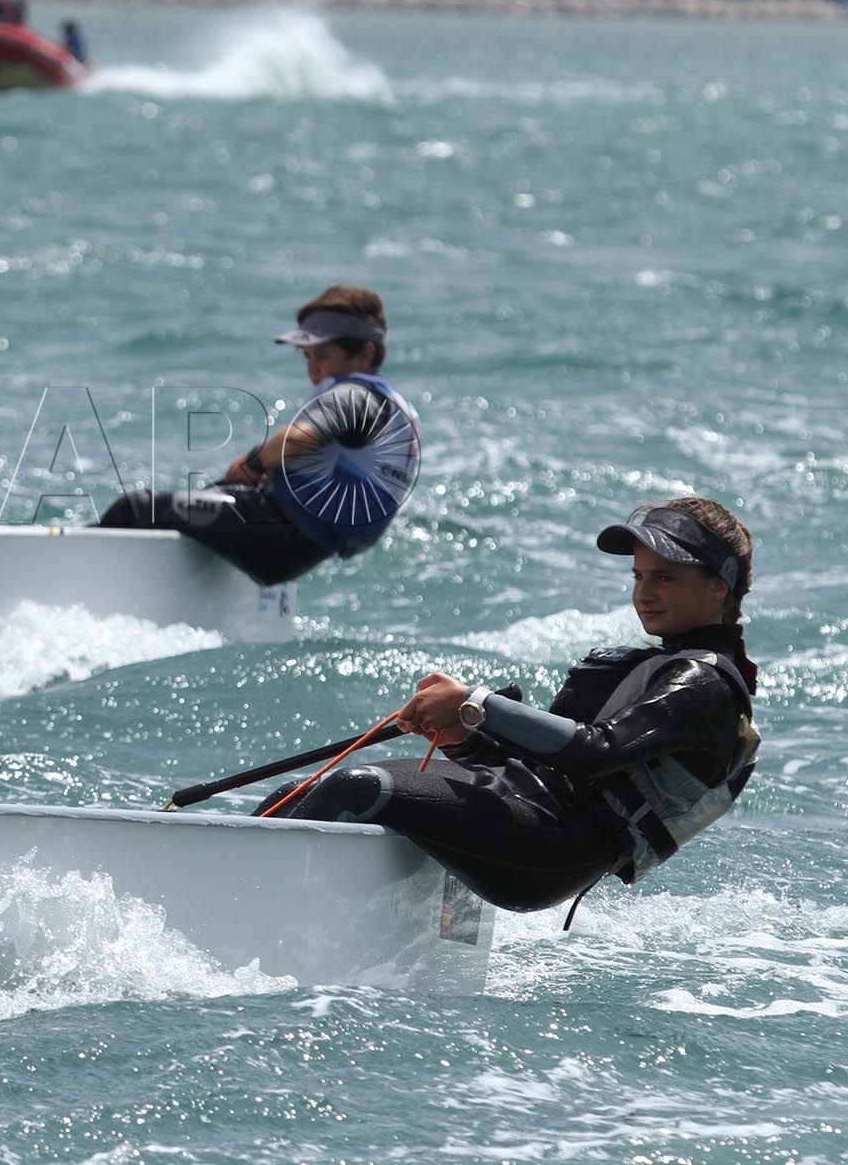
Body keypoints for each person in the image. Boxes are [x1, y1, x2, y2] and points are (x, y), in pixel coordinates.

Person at [257, 496, 761, 915]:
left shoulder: (702, 684)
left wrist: (476, 703)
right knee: (296, 793)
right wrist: (462, 735)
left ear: (720, 586)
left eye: (665, 578)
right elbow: (542, 772)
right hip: (529, 816)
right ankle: (230, 903)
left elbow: (596, 752)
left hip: (552, 851)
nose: (645, 593)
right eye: (638, 576)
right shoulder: (661, 666)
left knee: (358, 787)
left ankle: (251, 916)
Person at [96, 285, 419, 586]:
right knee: (210, 500)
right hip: (304, 548)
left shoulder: (353, 395)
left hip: (281, 533)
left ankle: (78, 578)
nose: (314, 369)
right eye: (307, 357)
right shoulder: (391, 406)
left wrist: (253, 461)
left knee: (138, 509)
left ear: (364, 353)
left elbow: (298, 440)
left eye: (323, 355)